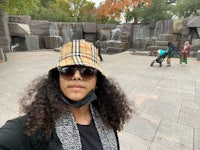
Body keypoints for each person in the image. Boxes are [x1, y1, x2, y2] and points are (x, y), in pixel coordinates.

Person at [0, 39, 133, 150]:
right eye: (67, 70)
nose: (77, 76)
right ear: (57, 78)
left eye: (87, 71)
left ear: (97, 81)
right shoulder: (36, 125)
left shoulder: (106, 119)